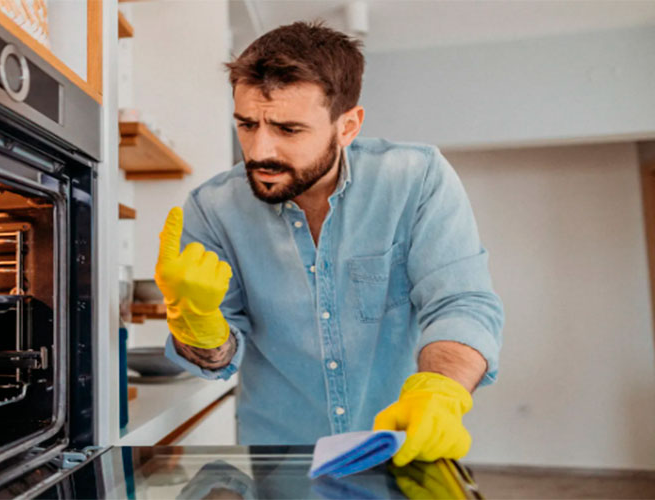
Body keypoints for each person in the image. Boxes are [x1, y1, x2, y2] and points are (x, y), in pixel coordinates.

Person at [155, 21, 504, 466]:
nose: (259, 149)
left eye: (288, 129)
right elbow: (220, 354)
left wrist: (440, 390)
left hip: (401, 447)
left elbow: (462, 300)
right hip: (279, 462)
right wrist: (198, 327)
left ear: (348, 126)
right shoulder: (212, 209)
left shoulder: (416, 178)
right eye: (246, 124)